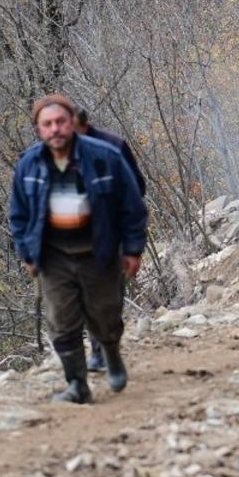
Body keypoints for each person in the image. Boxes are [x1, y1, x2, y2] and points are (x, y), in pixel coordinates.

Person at [8, 94, 147, 404]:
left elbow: (132, 205)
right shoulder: (29, 164)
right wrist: (27, 252)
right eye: (47, 124)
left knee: (105, 314)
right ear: (38, 129)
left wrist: (133, 249)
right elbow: (18, 214)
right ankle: (77, 385)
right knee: (61, 321)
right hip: (53, 256)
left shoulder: (105, 156)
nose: (55, 129)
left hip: (99, 250)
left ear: (72, 122)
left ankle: (111, 354)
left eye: (60, 121)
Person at [74, 107, 146, 373]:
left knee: (109, 296)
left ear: (83, 124)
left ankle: (109, 346)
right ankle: (99, 351)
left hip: (113, 233)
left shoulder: (113, 146)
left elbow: (137, 189)